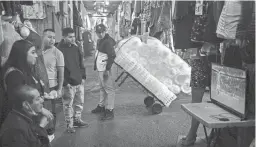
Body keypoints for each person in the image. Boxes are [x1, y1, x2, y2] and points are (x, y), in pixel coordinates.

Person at [1, 40, 53, 136]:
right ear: (22, 54)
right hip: (20, 124)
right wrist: (41, 110)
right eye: (32, 52)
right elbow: (18, 101)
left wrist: (42, 95)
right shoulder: (14, 74)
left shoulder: (24, 69)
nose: (36, 56)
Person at [57, 28, 88, 133]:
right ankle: (69, 125)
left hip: (78, 80)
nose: (73, 39)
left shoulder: (76, 47)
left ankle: (77, 120)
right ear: (64, 37)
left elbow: (81, 63)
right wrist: (65, 83)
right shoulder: (59, 50)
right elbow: (58, 68)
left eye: (73, 36)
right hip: (68, 83)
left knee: (79, 102)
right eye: (70, 37)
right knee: (68, 104)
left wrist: (83, 77)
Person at [42, 29, 65, 137]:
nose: (52, 40)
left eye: (54, 37)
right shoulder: (37, 51)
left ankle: (51, 131)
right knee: (40, 109)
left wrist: (59, 89)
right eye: (49, 37)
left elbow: (61, 73)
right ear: (43, 37)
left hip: (52, 87)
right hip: (39, 86)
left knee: (51, 110)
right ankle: (41, 130)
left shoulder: (57, 53)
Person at [91, 24, 116, 121]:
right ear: (96, 32)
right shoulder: (101, 40)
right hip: (100, 68)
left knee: (109, 90)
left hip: (104, 69)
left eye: (102, 32)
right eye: (98, 32)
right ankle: (101, 106)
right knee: (102, 88)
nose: (100, 34)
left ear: (105, 31)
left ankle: (110, 110)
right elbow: (99, 55)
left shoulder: (108, 42)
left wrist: (107, 69)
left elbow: (112, 56)